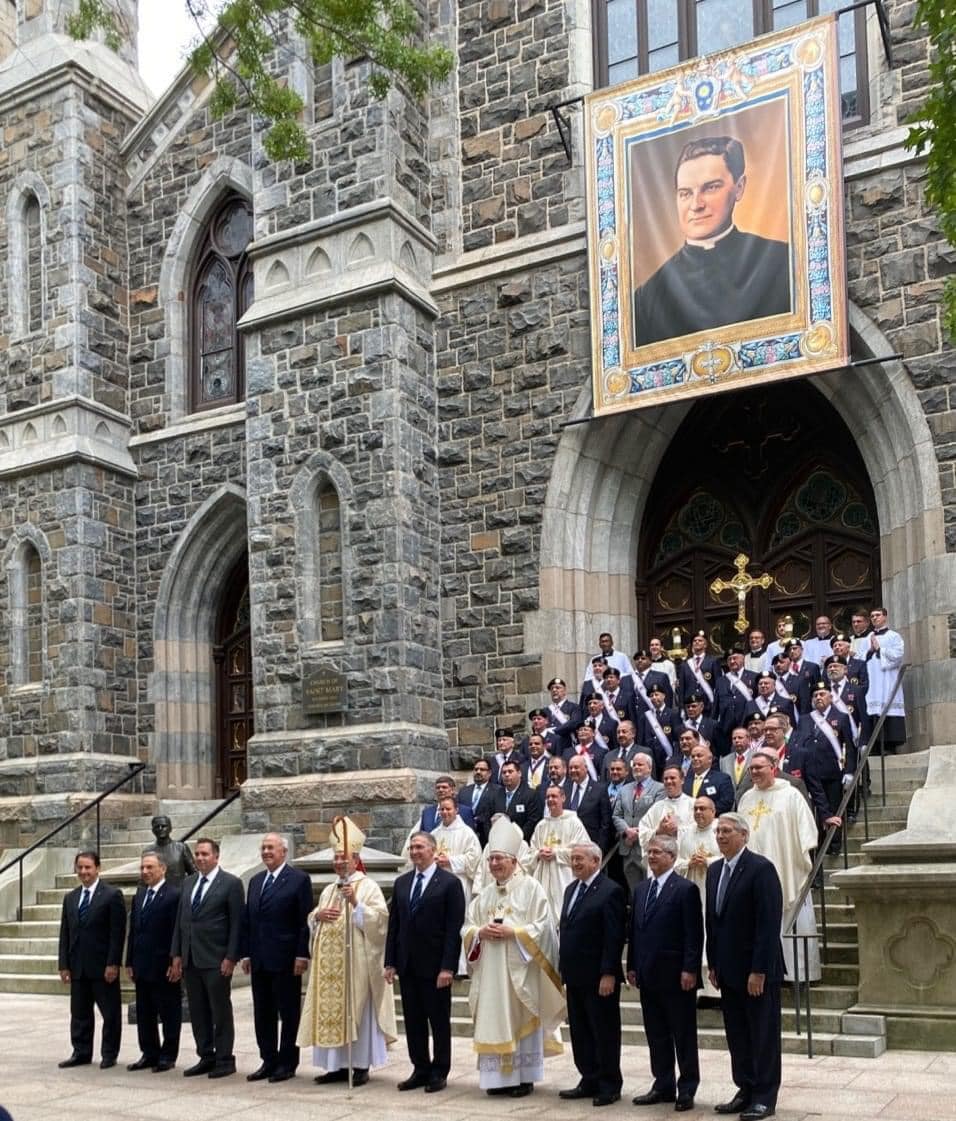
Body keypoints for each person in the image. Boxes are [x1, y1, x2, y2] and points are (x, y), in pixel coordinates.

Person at [633, 135, 791, 347]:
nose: (696, 205)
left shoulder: (782, 262)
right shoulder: (648, 298)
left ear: (740, 187)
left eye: (711, 188)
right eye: (685, 193)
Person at [462, 818, 566, 1098]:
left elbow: (545, 926)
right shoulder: (484, 894)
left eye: (499, 859)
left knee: (521, 1018)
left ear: (513, 860)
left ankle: (524, 1078)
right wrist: (479, 932)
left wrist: (515, 933)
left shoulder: (531, 888)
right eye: (491, 859)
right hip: (491, 975)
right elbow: (467, 926)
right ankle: (496, 1080)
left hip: (521, 971)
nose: (494, 864)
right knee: (495, 1018)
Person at [299, 816, 396, 1086]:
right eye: (336, 859)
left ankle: (360, 1065)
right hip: (329, 968)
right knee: (332, 1013)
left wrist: (356, 905)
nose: (340, 863)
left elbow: (380, 922)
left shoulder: (368, 886)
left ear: (355, 860)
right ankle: (336, 1066)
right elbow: (313, 919)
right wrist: (318, 916)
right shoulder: (330, 888)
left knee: (358, 1013)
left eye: (345, 858)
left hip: (357, 965)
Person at [706, 814, 784, 1121]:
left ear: (744, 835)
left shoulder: (760, 869)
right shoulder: (714, 871)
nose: (721, 836)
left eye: (727, 831)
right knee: (737, 1034)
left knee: (762, 1034)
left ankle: (765, 1095)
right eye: (718, 831)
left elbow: (768, 924)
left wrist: (759, 970)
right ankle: (745, 1088)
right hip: (728, 969)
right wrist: (712, 962)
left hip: (756, 971)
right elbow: (713, 921)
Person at [384, 832, 465, 1093]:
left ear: (433, 850)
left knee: (438, 1021)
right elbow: (394, 925)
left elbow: (454, 929)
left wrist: (448, 967)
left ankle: (439, 1071)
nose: (415, 851)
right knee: (413, 1021)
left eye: (419, 847)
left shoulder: (449, 884)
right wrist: (390, 962)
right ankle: (420, 1067)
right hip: (408, 965)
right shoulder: (402, 883)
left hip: (435, 965)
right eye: (411, 847)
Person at [628, 834, 702, 1112]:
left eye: (657, 852)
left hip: (676, 975)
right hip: (648, 974)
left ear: (672, 856)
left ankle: (687, 1087)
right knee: (656, 1033)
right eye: (649, 852)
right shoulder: (641, 889)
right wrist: (632, 965)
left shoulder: (685, 889)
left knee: (682, 1035)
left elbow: (693, 934)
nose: (652, 856)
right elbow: (635, 931)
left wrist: (690, 968)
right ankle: (663, 1084)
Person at [738, 751, 820, 981]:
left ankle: (800, 974)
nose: (754, 772)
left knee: (791, 917)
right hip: (755, 869)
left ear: (773, 767)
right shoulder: (746, 798)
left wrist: (799, 851)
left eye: (759, 767)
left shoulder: (791, 795)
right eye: (751, 768)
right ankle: (765, 970)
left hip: (786, 864)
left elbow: (807, 830)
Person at [240, 833, 313, 1082]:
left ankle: (287, 1062)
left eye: (271, 847)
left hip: (286, 958)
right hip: (259, 959)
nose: (266, 852)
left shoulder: (298, 879)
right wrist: (247, 953)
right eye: (263, 848)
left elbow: (304, 922)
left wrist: (302, 954)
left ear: (284, 851)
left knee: (288, 1012)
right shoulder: (256, 881)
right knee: (263, 1012)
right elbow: (249, 920)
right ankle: (268, 1060)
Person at [558, 842, 626, 1108]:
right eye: (573, 858)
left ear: (596, 862)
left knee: (604, 1031)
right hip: (575, 974)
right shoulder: (571, 889)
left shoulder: (611, 891)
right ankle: (588, 1077)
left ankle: (609, 1084)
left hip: (599, 977)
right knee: (581, 1030)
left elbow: (614, 935)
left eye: (580, 859)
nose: (575, 863)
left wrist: (609, 973)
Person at [170, 837, 244, 1078]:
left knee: (219, 1010)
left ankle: (224, 1058)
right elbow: (181, 921)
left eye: (205, 854)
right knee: (198, 1010)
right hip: (191, 958)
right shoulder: (189, 883)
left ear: (216, 856)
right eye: (198, 854)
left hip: (216, 958)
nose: (200, 858)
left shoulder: (231, 884)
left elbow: (236, 924)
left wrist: (231, 956)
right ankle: (206, 1054)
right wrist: (177, 954)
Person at [57, 850, 126, 1070]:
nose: (84, 872)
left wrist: (113, 963)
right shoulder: (71, 898)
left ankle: (109, 1054)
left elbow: (118, 933)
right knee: (79, 1014)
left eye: (88, 867)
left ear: (98, 868)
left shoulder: (112, 895)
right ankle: (81, 1052)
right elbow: (65, 933)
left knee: (110, 1013)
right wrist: (63, 964)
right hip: (78, 966)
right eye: (80, 867)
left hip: (102, 966)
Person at [125, 851, 182, 1072]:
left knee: (168, 1012)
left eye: (150, 867)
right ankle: (149, 1053)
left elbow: (176, 931)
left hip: (164, 965)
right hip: (141, 964)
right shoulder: (140, 895)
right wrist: (129, 960)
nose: (145, 872)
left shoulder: (174, 895)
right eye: (142, 868)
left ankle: (168, 1055)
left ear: (163, 869)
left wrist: (174, 960)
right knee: (144, 1012)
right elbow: (134, 931)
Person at [675, 796, 721, 999]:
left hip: (715, 891)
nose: (698, 812)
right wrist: (689, 863)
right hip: (694, 891)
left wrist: (709, 861)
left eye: (703, 809)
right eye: (695, 809)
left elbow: (731, 857)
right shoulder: (686, 834)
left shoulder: (721, 830)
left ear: (713, 811)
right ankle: (700, 991)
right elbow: (676, 862)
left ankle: (717, 992)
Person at [529, 784, 590, 924]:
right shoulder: (541, 825)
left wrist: (556, 853)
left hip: (564, 877)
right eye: (548, 797)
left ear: (563, 798)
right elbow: (530, 852)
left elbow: (583, 851)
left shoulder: (574, 823)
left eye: (554, 796)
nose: (550, 799)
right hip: (543, 878)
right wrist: (539, 854)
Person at [612, 752, 665, 892]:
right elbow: (616, 815)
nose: (636, 767)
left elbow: (657, 815)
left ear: (649, 767)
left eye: (640, 764)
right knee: (634, 892)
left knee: (651, 889)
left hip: (648, 848)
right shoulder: (624, 789)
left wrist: (638, 833)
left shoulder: (659, 788)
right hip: (628, 848)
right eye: (634, 764)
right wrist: (627, 831)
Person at [864, 606, 906, 752]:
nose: (874, 618)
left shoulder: (894, 636)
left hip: (888, 678)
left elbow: (898, 655)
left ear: (885, 616)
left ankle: (889, 745)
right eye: (872, 616)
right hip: (872, 680)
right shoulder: (868, 637)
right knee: (872, 708)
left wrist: (880, 650)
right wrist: (869, 651)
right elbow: (860, 657)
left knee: (888, 706)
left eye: (877, 615)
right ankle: (874, 746)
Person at [638, 764, 695, 855]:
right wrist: (659, 831)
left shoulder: (693, 805)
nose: (668, 781)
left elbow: (700, 831)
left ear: (682, 780)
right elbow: (643, 832)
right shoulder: (657, 807)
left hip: (684, 858)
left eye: (672, 778)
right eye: (666, 779)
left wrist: (677, 830)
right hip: (661, 862)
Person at [563, 754, 611, 851]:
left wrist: (600, 848)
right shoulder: (565, 788)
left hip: (590, 846)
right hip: (567, 846)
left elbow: (606, 823)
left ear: (586, 768)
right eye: (570, 768)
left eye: (576, 767)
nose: (572, 771)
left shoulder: (600, 789)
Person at [458, 759, 505, 846]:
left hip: (487, 837)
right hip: (465, 837)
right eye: (476, 769)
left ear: (490, 773)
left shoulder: (498, 790)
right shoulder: (464, 791)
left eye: (482, 770)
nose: (478, 772)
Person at [682, 740, 735, 814]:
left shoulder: (722, 779)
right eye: (693, 756)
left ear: (710, 759)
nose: (695, 758)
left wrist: (704, 812)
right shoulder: (685, 781)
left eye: (699, 756)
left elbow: (726, 802)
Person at [143, 815, 196, 885]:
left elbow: (194, 873)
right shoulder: (148, 851)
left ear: (170, 828)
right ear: (153, 830)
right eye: (157, 827)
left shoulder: (181, 848)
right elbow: (145, 876)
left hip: (179, 892)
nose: (160, 828)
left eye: (163, 826)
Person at [499, 759, 543, 841]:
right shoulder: (496, 794)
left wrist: (517, 838)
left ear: (519, 773)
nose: (507, 775)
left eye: (510, 771)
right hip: (499, 842)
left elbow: (532, 821)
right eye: (504, 772)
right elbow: (488, 818)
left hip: (522, 842)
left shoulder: (530, 794)